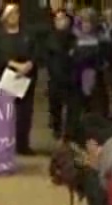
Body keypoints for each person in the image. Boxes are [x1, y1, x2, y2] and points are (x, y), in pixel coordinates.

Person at [0, 3, 37, 154]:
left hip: (25, 78)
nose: (14, 16)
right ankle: (3, 144)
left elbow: (36, 51)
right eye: (11, 14)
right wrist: (13, 64)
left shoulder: (27, 33)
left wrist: (30, 64)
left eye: (16, 13)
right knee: (4, 112)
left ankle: (23, 144)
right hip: (4, 76)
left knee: (24, 113)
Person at [45, 10, 76, 141]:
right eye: (57, 19)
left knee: (71, 107)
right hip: (55, 78)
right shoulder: (50, 37)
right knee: (55, 106)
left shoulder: (74, 37)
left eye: (62, 19)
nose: (59, 22)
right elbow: (47, 57)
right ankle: (57, 128)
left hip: (70, 77)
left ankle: (69, 132)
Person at [71, 10, 103, 121]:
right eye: (83, 22)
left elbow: (99, 60)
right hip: (77, 76)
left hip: (92, 76)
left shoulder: (98, 39)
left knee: (91, 104)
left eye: (88, 22)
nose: (85, 24)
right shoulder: (75, 39)